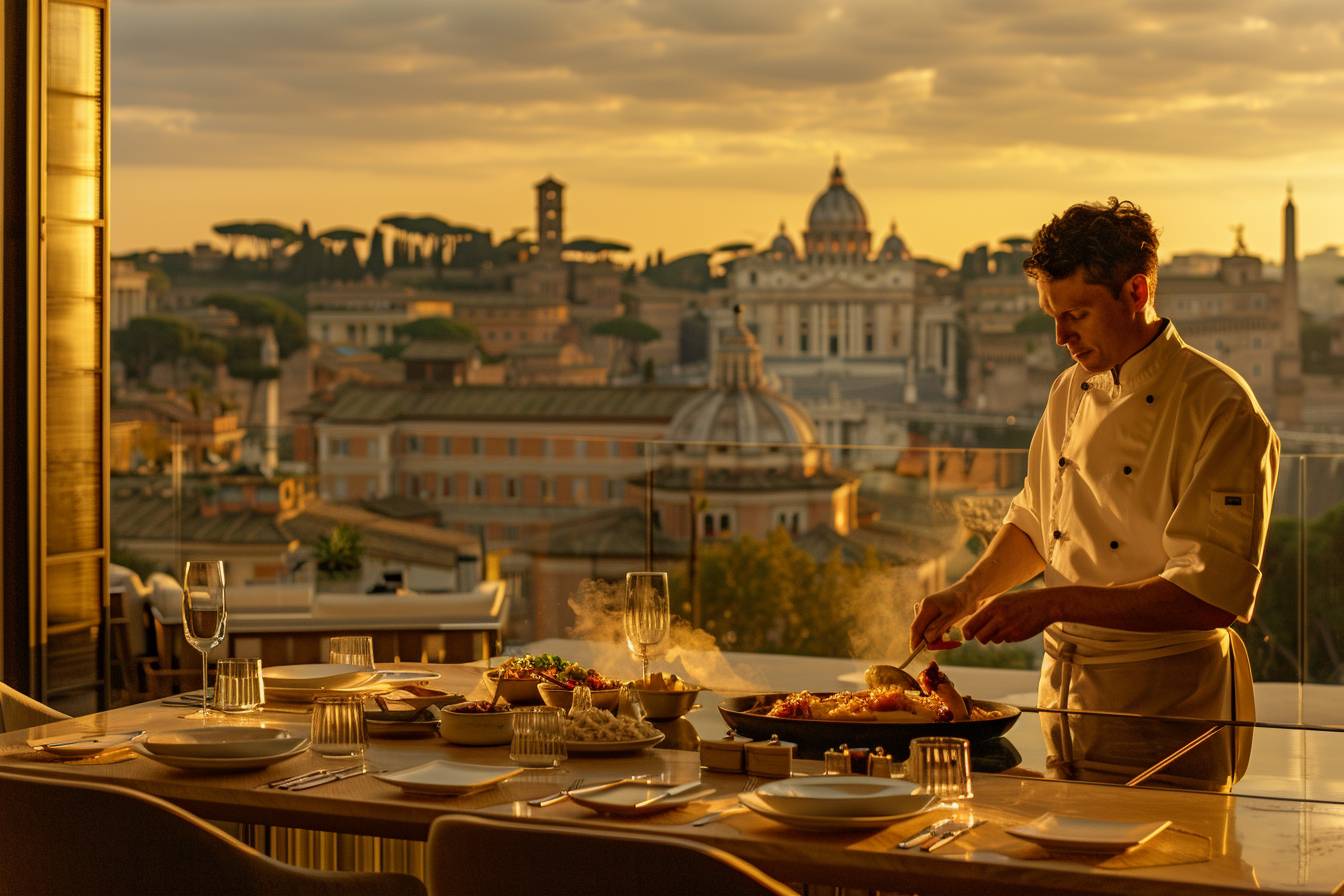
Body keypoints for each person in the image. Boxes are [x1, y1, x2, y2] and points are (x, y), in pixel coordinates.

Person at [909, 198, 1279, 785]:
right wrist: (967, 593)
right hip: (1066, 700)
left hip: (1169, 710)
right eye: (1051, 315)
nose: (1060, 337)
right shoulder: (1068, 389)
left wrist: (1052, 603)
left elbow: (1211, 594)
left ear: (1137, 291)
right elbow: (1037, 521)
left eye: (1076, 314)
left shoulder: (1222, 408)